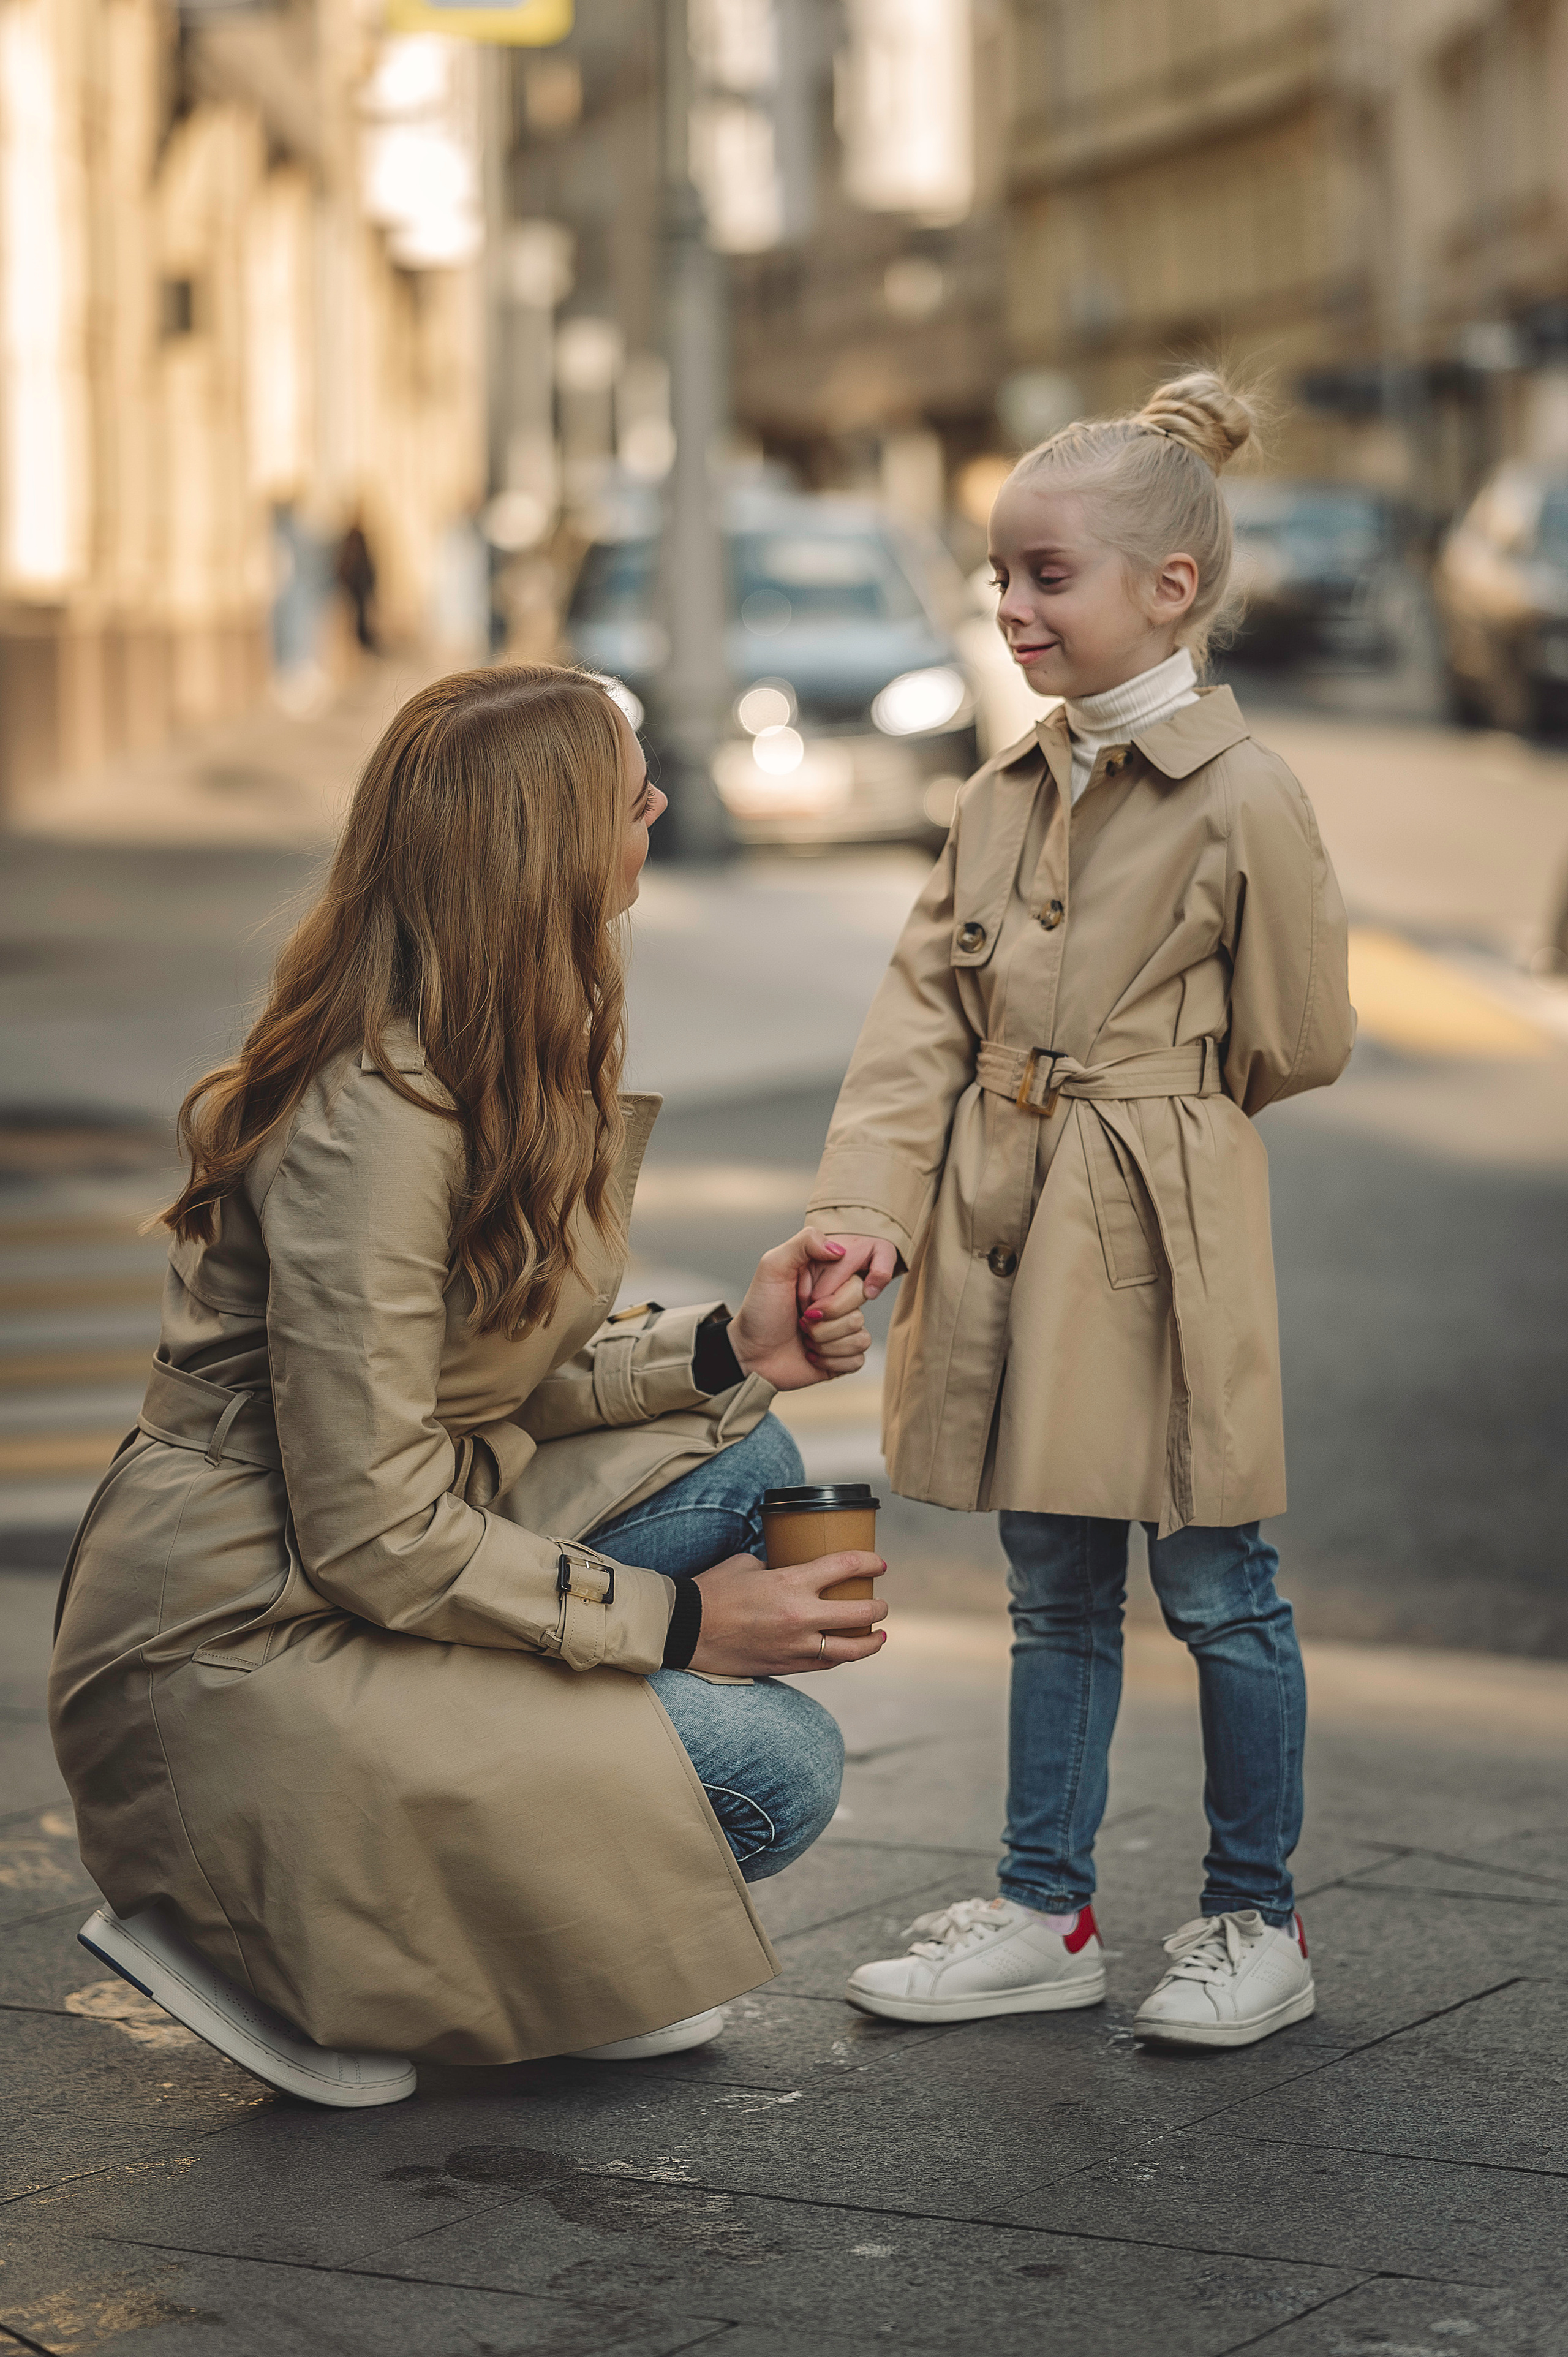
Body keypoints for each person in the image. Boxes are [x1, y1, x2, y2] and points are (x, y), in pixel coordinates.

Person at [49, 665, 886, 2108]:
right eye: (629, 791)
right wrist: (686, 1625)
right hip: (238, 1637)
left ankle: (498, 1938)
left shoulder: (490, 1051)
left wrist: (727, 1351)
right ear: (543, 850)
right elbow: (373, 1532)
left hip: (351, 1560)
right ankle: (265, 1934)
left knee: (742, 1460)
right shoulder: (370, 1121)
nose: (657, 803)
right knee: (776, 1764)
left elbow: (489, 1375)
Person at [797, 372, 1355, 2050]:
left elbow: (1299, 1034)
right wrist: (867, 1210)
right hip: (1006, 1222)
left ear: (1169, 590)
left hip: (1160, 1228)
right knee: (1050, 1582)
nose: (1011, 605)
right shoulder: (998, 792)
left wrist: (1150, 1105)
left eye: (1048, 575)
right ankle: (1046, 1910)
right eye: (1001, 575)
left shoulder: (1242, 793)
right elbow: (918, 1023)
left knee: (1217, 1579)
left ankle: (1255, 1914)